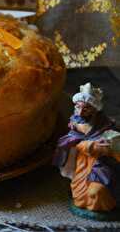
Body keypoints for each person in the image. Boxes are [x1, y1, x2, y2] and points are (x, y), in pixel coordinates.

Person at [54, 83, 119, 218]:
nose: (80, 112)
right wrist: (83, 145)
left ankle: (105, 205)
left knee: (97, 192)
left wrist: (104, 147)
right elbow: (70, 141)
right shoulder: (75, 123)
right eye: (78, 107)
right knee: (79, 194)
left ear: (95, 110)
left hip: (100, 164)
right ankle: (86, 203)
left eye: (86, 108)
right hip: (81, 164)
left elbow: (111, 145)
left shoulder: (104, 126)